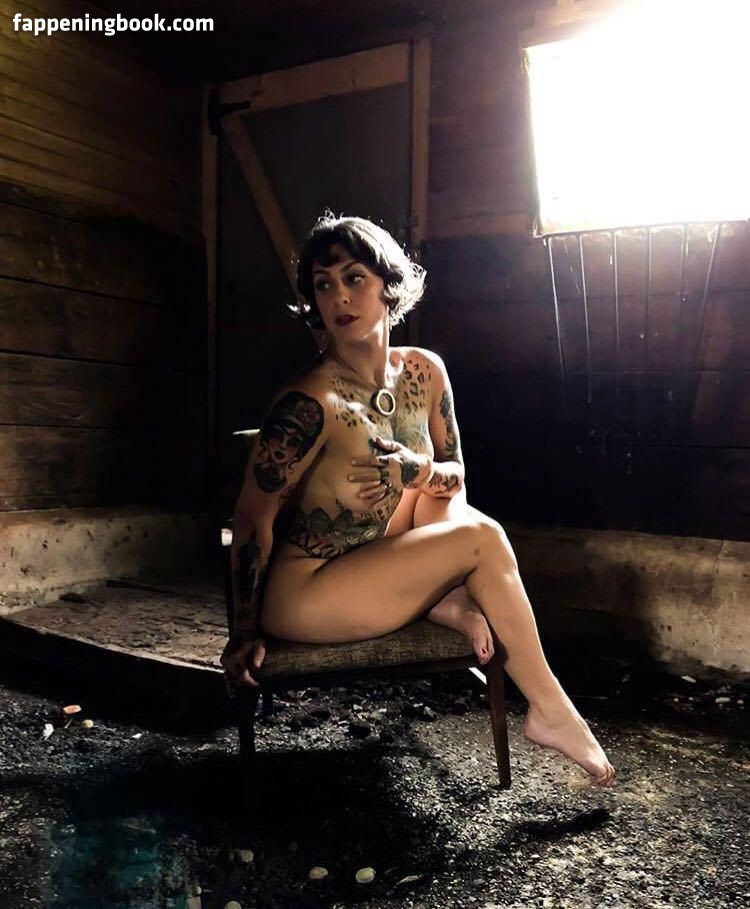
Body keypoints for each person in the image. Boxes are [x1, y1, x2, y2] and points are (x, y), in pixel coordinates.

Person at [221, 213, 615, 787]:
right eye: (323, 284)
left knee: (454, 509)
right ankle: (549, 708)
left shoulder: (425, 373)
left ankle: (446, 602)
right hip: (306, 590)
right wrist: (243, 633)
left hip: (380, 560)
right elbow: (251, 521)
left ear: (389, 285)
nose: (339, 297)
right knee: (482, 537)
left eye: (354, 278)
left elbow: (455, 478)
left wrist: (418, 470)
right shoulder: (310, 403)